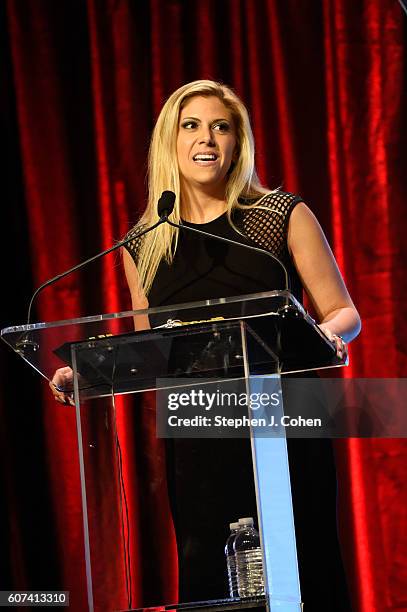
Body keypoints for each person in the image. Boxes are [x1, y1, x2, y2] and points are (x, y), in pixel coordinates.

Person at [52, 80, 361, 609]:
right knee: (212, 577)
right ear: (169, 142)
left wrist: (328, 334)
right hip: (198, 433)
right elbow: (150, 345)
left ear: (238, 141)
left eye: (221, 126)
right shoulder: (145, 242)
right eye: (191, 125)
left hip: (281, 422)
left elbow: (343, 311)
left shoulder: (278, 215)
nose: (207, 139)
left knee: (299, 572)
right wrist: (89, 373)